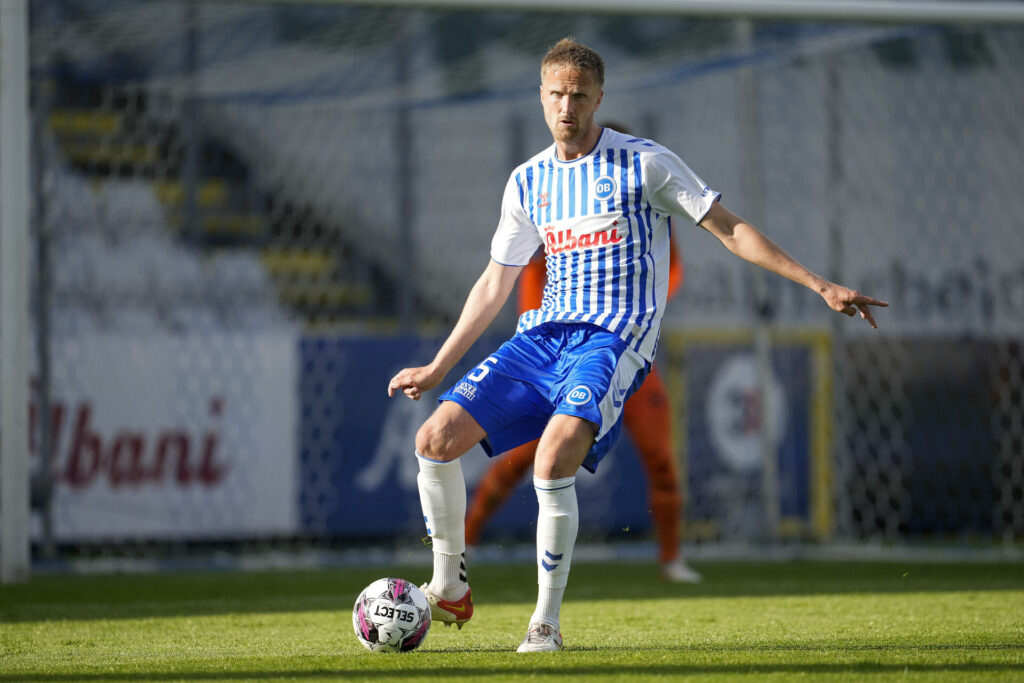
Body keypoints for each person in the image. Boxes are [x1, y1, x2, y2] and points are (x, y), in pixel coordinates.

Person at [388, 37, 887, 653]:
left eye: (578, 95)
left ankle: (544, 622)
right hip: (541, 335)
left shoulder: (644, 164)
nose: (566, 107)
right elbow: (496, 281)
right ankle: (448, 583)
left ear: (599, 97)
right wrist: (438, 365)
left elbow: (729, 230)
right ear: (540, 97)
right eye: (555, 95)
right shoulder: (528, 182)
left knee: (553, 459)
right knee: (433, 441)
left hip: (612, 339)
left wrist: (818, 284)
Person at [464, 124, 700, 582]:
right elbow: (522, 283)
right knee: (527, 461)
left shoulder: (648, 220)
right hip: (562, 358)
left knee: (661, 456)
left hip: (627, 352)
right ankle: (467, 543)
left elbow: (670, 277)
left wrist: (633, 310)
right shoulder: (556, 216)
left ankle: (672, 559)